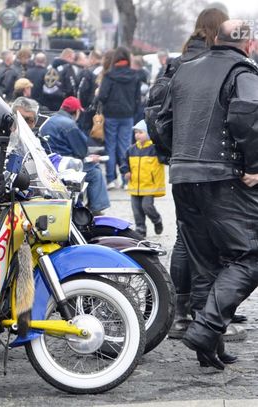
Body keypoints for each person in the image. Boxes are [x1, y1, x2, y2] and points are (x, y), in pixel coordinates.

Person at [156, 20, 258, 370]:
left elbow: (161, 121)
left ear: (215, 39)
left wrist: (179, 158)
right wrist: (255, 164)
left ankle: (208, 346)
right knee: (250, 255)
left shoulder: (184, 69)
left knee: (205, 262)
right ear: (249, 44)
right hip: (221, 176)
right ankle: (206, 329)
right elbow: (249, 115)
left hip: (184, 176)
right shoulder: (243, 71)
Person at [39, 96, 110, 215]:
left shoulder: (50, 121)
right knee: (95, 171)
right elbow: (81, 151)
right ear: (76, 111)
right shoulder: (70, 125)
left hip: (50, 161)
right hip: (64, 164)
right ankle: (96, 209)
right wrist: (90, 158)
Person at [98, 46, 141, 190]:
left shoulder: (109, 75)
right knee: (125, 146)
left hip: (111, 115)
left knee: (110, 146)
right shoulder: (134, 75)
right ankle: (126, 179)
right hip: (127, 115)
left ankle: (111, 179)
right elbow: (138, 98)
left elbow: (102, 96)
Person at [121, 120, 164, 237]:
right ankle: (140, 229)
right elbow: (124, 162)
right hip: (135, 186)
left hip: (149, 186)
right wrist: (126, 171)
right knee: (136, 210)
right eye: (136, 132)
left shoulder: (155, 149)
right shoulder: (131, 149)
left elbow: (164, 159)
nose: (137, 135)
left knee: (147, 207)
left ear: (148, 134)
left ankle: (157, 220)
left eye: (141, 132)